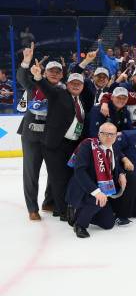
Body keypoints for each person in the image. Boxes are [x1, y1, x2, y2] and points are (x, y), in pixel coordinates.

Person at [31, 63, 87, 222]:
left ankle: (58, 206)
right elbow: (46, 88)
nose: (76, 86)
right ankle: (63, 211)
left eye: (79, 83)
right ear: (67, 84)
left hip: (71, 145)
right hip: (54, 145)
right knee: (58, 178)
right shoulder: (59, 94)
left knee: (68, 176)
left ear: (82, 86)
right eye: (73, 83)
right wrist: (38, 77)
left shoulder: (81, 100)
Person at [66, 123, 127, 238]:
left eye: (112, 134)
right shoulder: (87, 146)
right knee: (97, 200)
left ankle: (82, 211)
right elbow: (79, 172)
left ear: (116, 136)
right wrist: (96, 192)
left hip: (103, 190)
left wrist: (122, 174)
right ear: (98, 134)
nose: (108, 137)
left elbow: (115, 164)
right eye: (104, 134)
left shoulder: (115, 147)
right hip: (85, 188)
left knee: (108, 223)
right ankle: (80, 224)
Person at [16, 43, 54, 220]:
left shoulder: (59, 90)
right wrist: (26, 61)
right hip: (31, 137)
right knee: (31, 173)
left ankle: (48, 202)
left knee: (55, 171)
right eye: (49, 72)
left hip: (51, 138)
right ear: (43, 73)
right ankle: (32, 208)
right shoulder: (33, 86)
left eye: (56, 73)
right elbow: (22, 78)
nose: (52, 75)